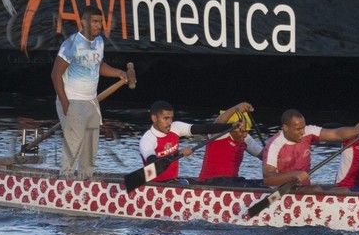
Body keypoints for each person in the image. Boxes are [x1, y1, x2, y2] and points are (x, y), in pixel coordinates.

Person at [48, 11, 131, 179]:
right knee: (73, 147)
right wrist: (65, 104)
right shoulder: (71, 44)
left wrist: (120, 72)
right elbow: (55, 74)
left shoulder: (99, 42)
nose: (98, 25)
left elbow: (98, 65)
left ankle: (84, 184)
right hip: (72, 100)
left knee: (90, 149)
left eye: (100, 21)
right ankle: (65, 182)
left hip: (92, 102)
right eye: (94, 21)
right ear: (83, 22)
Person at [262, 106, 359, 189]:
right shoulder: (274, 145)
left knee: (318, 189)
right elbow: (268, 179)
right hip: (281, 190)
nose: (302, 132)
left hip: (301, 187)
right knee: (317, 190)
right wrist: (294, 175)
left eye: (303, 127)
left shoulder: (308, 131)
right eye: (298, 129)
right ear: (285, 127)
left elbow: (337, 133)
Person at [140, 99, 254, 183]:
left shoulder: (175, 127)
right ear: (154, 118)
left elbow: (204, 128)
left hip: (172, 181)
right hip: (156, 185)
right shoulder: (147, 140)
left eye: (171, 118)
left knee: (193, 182)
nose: (169, 122)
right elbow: (153, 164)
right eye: (166, 118)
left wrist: (230, 126)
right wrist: (178, 154)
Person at [196, 111, 264, 185]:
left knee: (264, 183)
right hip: (209, 182)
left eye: (247, 131)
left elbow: (264, 155)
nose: (245, 135)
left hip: (232, 182)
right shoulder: (219, 134)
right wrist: (237, 108)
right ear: (231, 129)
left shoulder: (246, 138)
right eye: (242, 131)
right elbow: (218, 123)